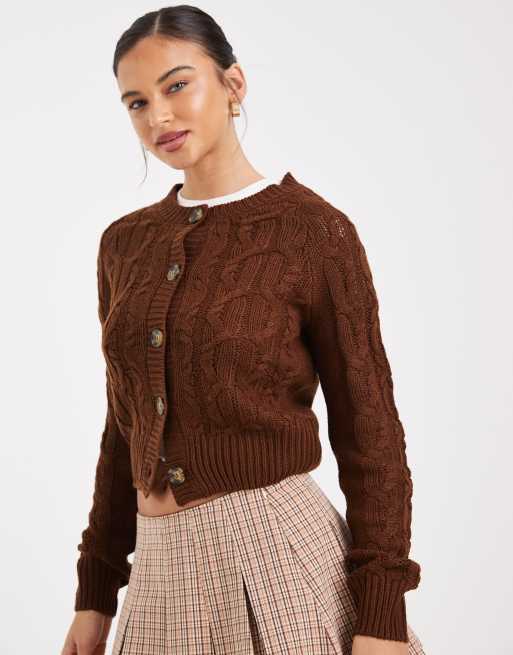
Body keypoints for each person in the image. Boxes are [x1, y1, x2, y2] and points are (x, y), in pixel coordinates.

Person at [60, 6, 426, 655]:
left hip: (276, 560)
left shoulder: (312, 232)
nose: (158, 116)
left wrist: (381, 612)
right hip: (159, 574)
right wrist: (95, 593)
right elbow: (125, 427)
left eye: (177, 85)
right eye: (137, 102)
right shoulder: (124, 245)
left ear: (233, 84)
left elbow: (369, 429)